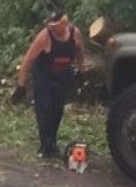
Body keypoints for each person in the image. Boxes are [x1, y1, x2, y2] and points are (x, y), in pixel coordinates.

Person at [16, 9, 85, 159]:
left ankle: (51, 142)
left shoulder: (75, 34)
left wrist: (81, 71)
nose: (52, 29)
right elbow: (27, 60)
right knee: (44, 109)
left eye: (55, 26)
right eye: (50, 26)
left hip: (62, 75)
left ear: (64, 22)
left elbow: (80, 52)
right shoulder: (44, 37)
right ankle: (47, 147)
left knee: (57, 109)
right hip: (44, 77)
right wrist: (21, 85)